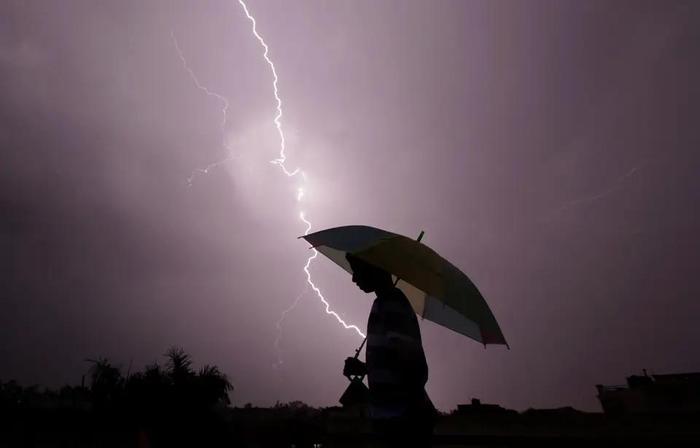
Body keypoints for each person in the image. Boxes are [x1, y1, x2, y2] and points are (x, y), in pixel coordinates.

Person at [343, 253, 436, 448]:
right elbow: (394, 360)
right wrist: (365, 368)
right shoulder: (382, 303)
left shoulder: (393, 304)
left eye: (357, 271)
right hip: (391, 419)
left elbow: (410, 364)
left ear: (374, 269)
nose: (353, 278)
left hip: (403, 423)